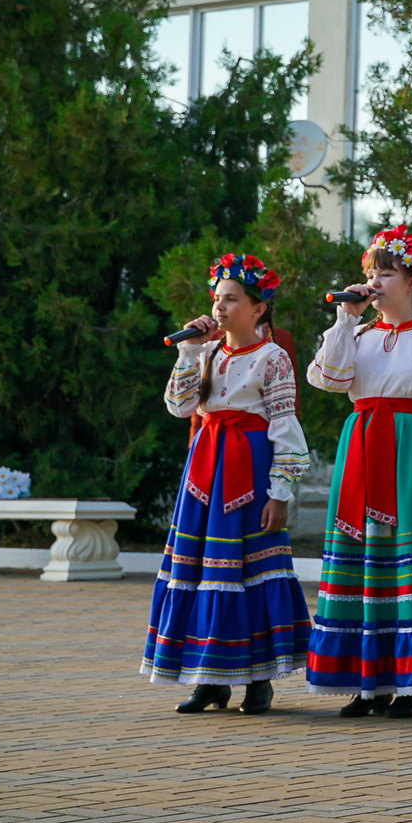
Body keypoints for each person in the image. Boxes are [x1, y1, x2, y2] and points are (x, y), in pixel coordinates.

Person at [304, 225, 412, 716]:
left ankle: (411, 683)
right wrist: (345, 320)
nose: (374, 282)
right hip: (362, 450)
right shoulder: (357, 335)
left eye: (385, 274)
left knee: (408, 565)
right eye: (370, 274)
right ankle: (369, 684)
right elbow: (326, 378)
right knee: (365, 565)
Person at [146, 253, 312, 712]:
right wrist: (189, 350)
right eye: (217, 298)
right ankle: (210, 678)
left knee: (249, 570)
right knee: (203, 571)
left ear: (258, 308)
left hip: (249, 471)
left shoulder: (273, 357)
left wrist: (280, 492)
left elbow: (284, 425)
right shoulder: (206, 353)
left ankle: (259, 679)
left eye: (232, 299)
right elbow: (180, 407)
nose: (220, 307)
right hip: (206, 470)